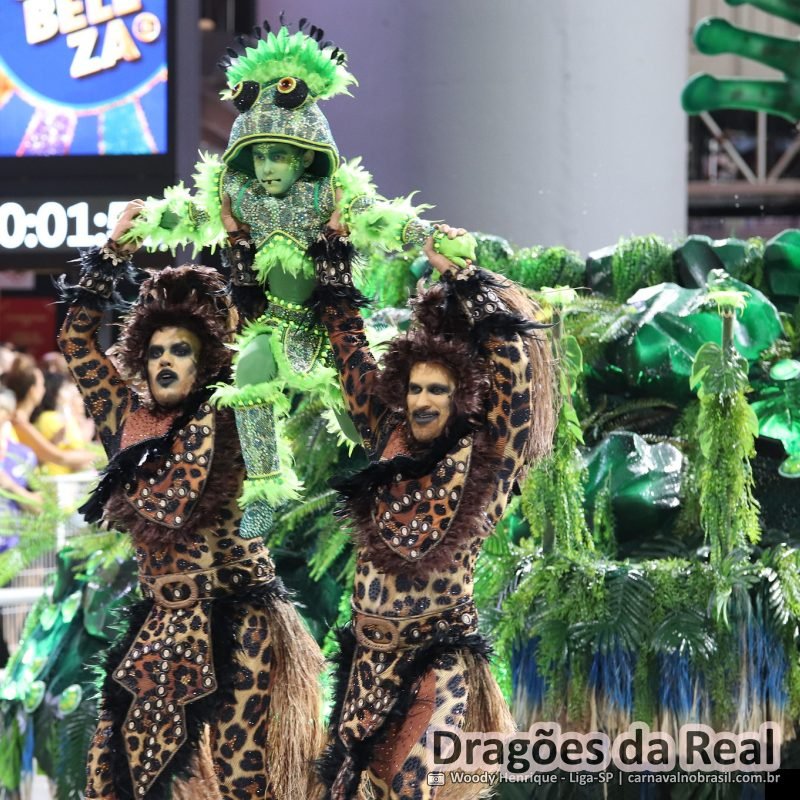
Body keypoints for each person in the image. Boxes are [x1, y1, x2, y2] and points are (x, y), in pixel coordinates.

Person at [122, 21, 475, 540]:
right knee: (249, 366)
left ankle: (414, 479)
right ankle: (265, 491)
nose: (266, 167)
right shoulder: (238, 200)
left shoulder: (328, 198)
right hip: (276, 327)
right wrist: (141, 221)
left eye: (278, 155)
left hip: (335, 328)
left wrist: (429, 233)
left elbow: (386, 220)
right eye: (259, 155)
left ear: (306, 156)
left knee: (366, 414)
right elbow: (187, 214)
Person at [56, 203, 325, 800]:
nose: (164, 361)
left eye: (180, 350)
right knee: (124, 778)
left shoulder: (237, 407)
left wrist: (237, 245)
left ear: (203, 359)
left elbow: (267, 494)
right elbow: (75, 336)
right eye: (154, 351)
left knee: (236, 782)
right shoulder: (124, 419)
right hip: (157, 625)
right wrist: (114, 249)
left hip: (238, 622)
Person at [312, 227, 557, 798]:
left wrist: (464, 277)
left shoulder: (490, 459)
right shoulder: (387, 433)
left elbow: (516, 367)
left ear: (462, 397)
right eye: (416, 388)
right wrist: (332, 253)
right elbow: (348, 347)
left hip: (436, 663)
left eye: (439, 390)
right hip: (365, 666)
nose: (423, 400)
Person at [2, 354, 95, 472]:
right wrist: (99, 457)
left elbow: (36, 458)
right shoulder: (17, 421)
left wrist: (53, 442)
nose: (44, 389)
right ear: (32, 391)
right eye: (41, 385)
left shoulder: (21, 420)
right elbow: (59, 457)